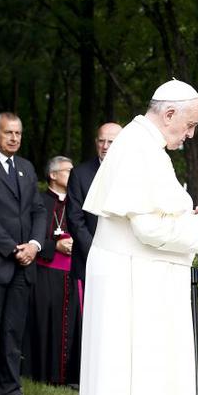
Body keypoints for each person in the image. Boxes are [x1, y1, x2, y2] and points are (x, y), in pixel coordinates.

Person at [71, 79, 198, 395]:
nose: (189, 134)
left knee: (138, 385)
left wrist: (189, 219)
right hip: (134, 286)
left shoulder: (141, 145)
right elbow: (149, 229)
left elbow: (151, 216)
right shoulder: (139, 147)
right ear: (169, 113)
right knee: (139, 384)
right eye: (189, 125)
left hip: (138, 280)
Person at [0, 113, 47, 395]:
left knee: (12, 333)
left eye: (18, 133)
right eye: (8, 133)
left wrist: (34, 245)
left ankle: (10, 393)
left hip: (24, 264)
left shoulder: (26, 168)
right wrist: (12, 249)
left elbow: (38, 210)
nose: (14, 138)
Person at [27, 156, 80, 385]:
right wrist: (54, 245)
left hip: (72, 274)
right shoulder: (39, 201)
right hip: (45, 274)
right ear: (53, 175)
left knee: (72, 324)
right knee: (46, 322)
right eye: (68, 171)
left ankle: (70, 376)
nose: (73, 174)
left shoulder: (76, 202)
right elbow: (30, 235)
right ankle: (44, 375)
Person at [67, 122, 123, 288]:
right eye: (101, 141)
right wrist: (96, 252)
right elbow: (75, 219)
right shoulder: (79, 174)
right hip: (90, 260)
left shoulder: (134, 173)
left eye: (111, 142)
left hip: (126, 261)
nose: (105, 146)